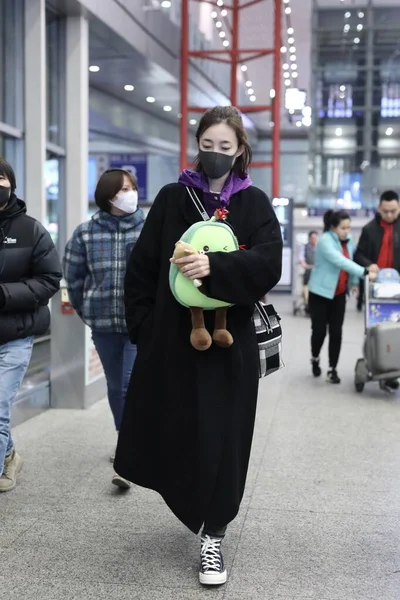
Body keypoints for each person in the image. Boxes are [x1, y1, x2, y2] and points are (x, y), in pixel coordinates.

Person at [114, 106, 282, 586]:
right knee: (180, 429)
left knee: (226, 438)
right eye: (207, 145)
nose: (214, 155)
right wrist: (145, 330)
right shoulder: (173, 198)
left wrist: (216, 268)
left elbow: (268, 263)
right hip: (175, 343)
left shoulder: (253, 204)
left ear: (240, 149)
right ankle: (191, 504)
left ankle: (215, 533)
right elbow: (143, 267)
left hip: (232, 348)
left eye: (224, 147)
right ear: (197, 144)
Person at [63, 168, 145, 489]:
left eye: (132, 188)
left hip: (139, 325)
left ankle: (129, 450)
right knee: (114, 387)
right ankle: (125, 437)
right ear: (108, 197)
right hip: (104, 326)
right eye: (123, 189)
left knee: (128, 385)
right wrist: (89, 313)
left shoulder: (149, 229)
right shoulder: (85, 234)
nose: (130, 193)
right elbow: (74, 278)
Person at [0, 157, 62, 493]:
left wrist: (4, 295)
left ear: (11, 183)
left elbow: (50, 278)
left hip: (15, 335)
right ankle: (10, 455)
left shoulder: (30, 229)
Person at [308, 209, 378, 384]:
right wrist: (364, 272)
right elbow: (340, 261)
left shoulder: (349, 242)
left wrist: (354, 283)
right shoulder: (325, 241)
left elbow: (351, 261)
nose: (347, 231)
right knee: (319, 332)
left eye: (349, 227)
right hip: (320, 294)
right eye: (343, 228)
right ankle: (315, 358)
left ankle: (332, 369)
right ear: (333, 228)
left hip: (339, 295)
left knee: (336, 332)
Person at [354, 190, 400, 389]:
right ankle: (377, 363)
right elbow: (359, 256)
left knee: (396, 330)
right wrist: (369, 266)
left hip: (398, 289)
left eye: (393, 211)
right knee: (375, 329)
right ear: (379, 208)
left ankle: (391, 371)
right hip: (376, 290)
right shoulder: (369, 229)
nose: (389, 215)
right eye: (385, 211)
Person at [299, 230, 318, 313]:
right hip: (308, 273)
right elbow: (302, 261)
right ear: (309, 238)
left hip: (318, 274)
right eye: (312, 238)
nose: (314, 240)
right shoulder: (305, 248)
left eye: (315, 238)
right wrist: (310, 266)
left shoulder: (320, 248)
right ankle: (307, 304)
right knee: (306, 289)